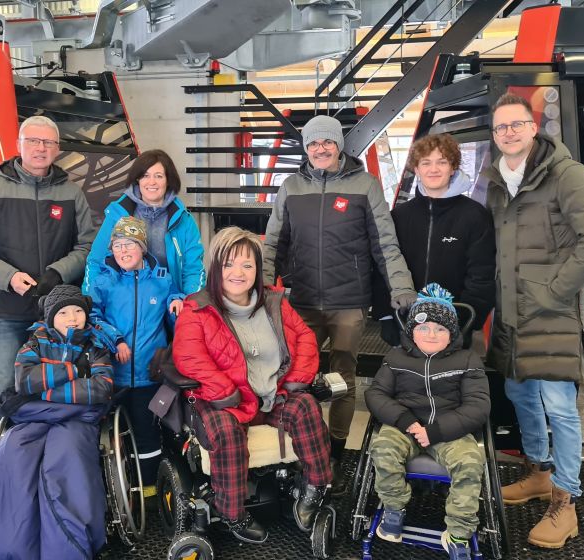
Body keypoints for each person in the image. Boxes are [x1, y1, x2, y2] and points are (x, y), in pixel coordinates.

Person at [483, 93, 584, 549]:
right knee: (520, 392)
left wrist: (553, 291)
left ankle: (567, 499)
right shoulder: (498, 180)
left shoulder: (565, 174)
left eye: (516, 125)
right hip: (511, 313)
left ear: (533, 127)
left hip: (551, 311)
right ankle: (539, 472)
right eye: (500, 128)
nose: (509, 133)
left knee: (559, 405)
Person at [262, 115, 417, 492]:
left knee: (342, 380)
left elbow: (386, 244)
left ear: (339, 145)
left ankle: (336, 450)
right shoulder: (291, 187)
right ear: (306, 148)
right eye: (313, 143)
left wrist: (403, 289)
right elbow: (272, 246)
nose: (320, 149)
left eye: (327, 142)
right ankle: (304, 450)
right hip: (302, 304)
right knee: (297, 380)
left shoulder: (365, 185)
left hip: (349, 303)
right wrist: (263, 288)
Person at [0, 115, 96, 522]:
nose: (41, 149)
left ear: (57, 149)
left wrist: (58, 272)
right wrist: (9, 277)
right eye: (33, 141)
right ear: (19, 144)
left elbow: (88, 246)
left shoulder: (72, 193)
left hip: (61, 320)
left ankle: (47, 485)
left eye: (49, 143)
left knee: (61, 398)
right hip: (9, 314)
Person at [173, 226, 331, 544]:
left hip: (273, 393)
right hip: (224, 398)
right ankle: (232, 512)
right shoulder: (197, 308)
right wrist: (227, 392)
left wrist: (298, 380)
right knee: (227, 433)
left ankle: (314, 488)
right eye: (229, 263)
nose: (238, 272)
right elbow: (188, 356)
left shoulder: (274, 302)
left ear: (257, 270)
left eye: (247, 264)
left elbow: (304, 338)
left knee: (307, 408)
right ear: (216, 267)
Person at [0, 284, 114, 560]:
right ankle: (8, 549)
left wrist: (45, 388)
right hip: (33, 418)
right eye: (63, 313)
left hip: (76, 422)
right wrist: (74, 371)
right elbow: (24, 381)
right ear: (50, 318)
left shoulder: (96, 347)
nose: (72, 318)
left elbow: (101, 389)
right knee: (13, 455)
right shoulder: (34, 343)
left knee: (63, 461)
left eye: (77, 311)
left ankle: (66, 550)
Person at [366, 283, 490, 560]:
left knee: (470, 462)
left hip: (449, 430)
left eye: (440, 329)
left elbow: (478, 406)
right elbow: (376, 394)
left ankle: (458, 532)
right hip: (404, 426)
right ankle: (394, 509)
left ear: (452, 334)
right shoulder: (396, 357)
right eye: (423, 327)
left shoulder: (468, 359)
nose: (431, 334)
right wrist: (407, 421)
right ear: (412, 331)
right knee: (383, 449)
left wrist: (435, 432)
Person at [85, 216, 184, 491]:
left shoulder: (162, 280)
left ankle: (150, 490)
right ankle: (112, 488)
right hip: (111, 377)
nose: (123, 251)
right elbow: (91, 317)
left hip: (148, 377)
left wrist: (178, 303)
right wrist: (115, 340)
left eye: (129, 244)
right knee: (109, 435)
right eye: (117, 246)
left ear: (143, 248)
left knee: (147, 435)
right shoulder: (104, 282)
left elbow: (176, 315)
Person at [372, 133, 496, 349]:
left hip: (454, 325)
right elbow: (383, 265)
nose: (434, 169)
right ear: (416, 169)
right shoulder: (399, 216)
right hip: (405, 322)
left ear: (453, 167)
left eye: (442, 162)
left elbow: (482, 275)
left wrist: (466, 321)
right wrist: (385, 316)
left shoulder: (474, 215)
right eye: (426, 163)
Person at [85, 149, 205, 296]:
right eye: (145, 175)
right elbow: (96, 261)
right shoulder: (117, 215)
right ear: (137, 179)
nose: (151, 182)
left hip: (172, 302)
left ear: (168, 180)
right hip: (123, 305)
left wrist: (190, 307)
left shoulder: (184, 221)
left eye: (159, 176)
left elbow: (193, 270)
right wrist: (90, 303)